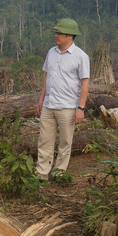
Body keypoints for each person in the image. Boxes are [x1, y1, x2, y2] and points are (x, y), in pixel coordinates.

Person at [36, 18, 90, 182]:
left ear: (70, 36)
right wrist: (41, 99)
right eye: (56, 32)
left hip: (67, 107)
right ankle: (41, 173)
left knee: (65, 142)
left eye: (59, 33)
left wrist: (80, 108)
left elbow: (85, 83)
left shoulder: (80, 56)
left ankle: (59, 172)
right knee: (44, 140)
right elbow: (47, 76)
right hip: (48, 105)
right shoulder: (51, 52)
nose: (56, 35)